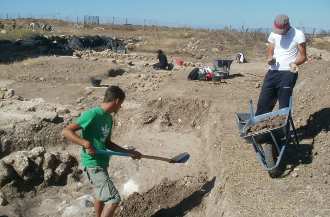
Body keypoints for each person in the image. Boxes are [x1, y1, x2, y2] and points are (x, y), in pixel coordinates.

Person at [62, 86, 142, 217]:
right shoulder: (92, 114)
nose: (120, 108)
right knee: (114, 199)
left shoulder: (109, 119)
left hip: (102, 163)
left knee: (100, 196)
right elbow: (66, 131)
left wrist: (128, 152)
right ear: (116, 101)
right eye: (120, 104)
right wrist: (85, 143)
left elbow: (108, 143)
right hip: (93, 164)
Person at [255, 14, 307, 115]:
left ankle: (283, 130)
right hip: (272, 72)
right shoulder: (273, 34)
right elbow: (270, 49)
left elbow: (303, 57)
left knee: (284, 107)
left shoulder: (298, 35)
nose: (279, 33)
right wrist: (270, 58)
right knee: (263, 103)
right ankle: (260, 129)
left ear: (288, 25)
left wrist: (294, 63)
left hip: (288, 73)